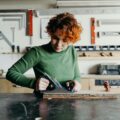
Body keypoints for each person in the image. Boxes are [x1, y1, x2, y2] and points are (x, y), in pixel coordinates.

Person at [6, 12, 82, 93]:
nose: (58, 44)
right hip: (44, 103)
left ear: (71, 39)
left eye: (64, 40)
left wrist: (77, 83)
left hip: (68, 102)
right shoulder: (37, 52)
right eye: (55, 38)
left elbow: (77, 76)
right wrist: (33, 83)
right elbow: (11, 73)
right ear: (51, 33)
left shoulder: (72, 51)